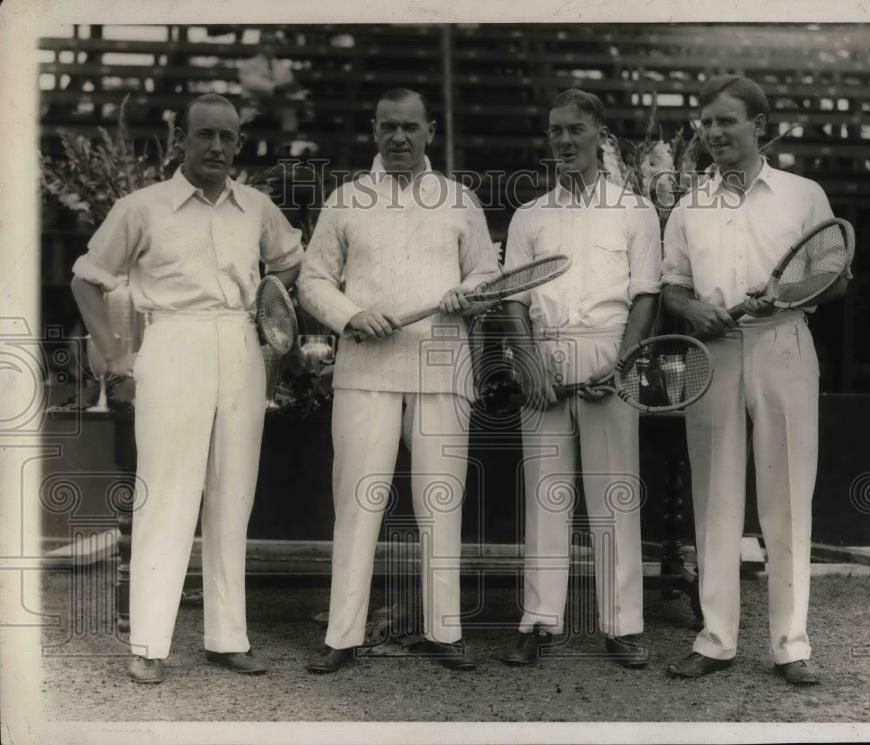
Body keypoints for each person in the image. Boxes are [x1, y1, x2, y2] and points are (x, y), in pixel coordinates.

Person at [70, 93, 304, 684]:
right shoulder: (142, 207)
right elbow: (86, 280)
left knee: (233, 496)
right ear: (183, 141)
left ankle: (228, 638)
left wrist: (271, 307)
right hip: (173, 346)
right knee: (168, 495)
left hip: (241, 348)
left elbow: (290, 261)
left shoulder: (255, 207)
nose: (217, 148)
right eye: (205, 135)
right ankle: (149, 643)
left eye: (227, 138)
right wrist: (119, 357)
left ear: (239, 146)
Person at [298, 88, 499, 673]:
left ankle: (445, 630)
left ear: (430, 130)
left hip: (442, 369)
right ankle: (342, 635)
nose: (400, 138)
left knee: (441, 502)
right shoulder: (346, 200)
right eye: (389, 127)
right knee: (358, 503)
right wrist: (351, 316)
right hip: (366, 371)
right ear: (375, 129)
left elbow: (487, 273)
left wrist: (471, 294)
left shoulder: (460, 200)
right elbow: (313, 281)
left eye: (411, 127)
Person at [660, 75, 850, 685]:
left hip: (784, 344)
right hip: (713, 352)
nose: (713, 133)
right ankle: (715, 640)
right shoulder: (690, 205)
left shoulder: (802, 195)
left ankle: (791, 646)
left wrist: (784, 294)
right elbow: (672, 284)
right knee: (715, 496)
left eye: (726, 121)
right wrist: (692, 311)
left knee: (788, 497)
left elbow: (836, 278)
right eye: (705, 123)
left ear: (759, 125)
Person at [498, 89, 661, 668]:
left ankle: (621, 625)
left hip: (609, 354)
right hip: (543, 359)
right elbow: (511, 298)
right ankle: (540, 621)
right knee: (548, 494)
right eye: (555, 131)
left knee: (614, 495)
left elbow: (646, 293)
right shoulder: (529, 215)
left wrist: (623, 363)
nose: (564, 141)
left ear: (600, 136)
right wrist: (529, 361)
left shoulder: (634, 210)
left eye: (575, 130)